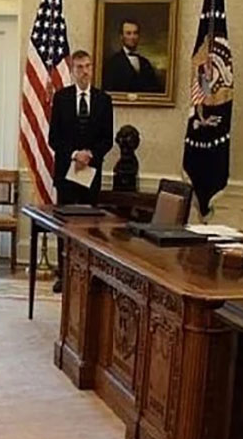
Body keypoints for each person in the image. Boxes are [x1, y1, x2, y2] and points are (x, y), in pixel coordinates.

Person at [47, 49, 114, 292]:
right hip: (67, 171)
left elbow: (107, 139)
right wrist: (75, 154)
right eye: (79, 67)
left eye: (88, 66)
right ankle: (64, 274)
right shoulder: (62, 98)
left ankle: (86, 275)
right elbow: (54, 138)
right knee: (65, 225)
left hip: (91, 172)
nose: (84, 71)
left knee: (88, 226)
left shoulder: (103, 100)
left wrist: (90, 154)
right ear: (73, 71)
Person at [102, 19, 162, 93]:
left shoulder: (145, 63)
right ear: (121, 37)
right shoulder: (112, 63)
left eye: (135, 33)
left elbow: (154, 90)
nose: (132, 37)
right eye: (128, 33)